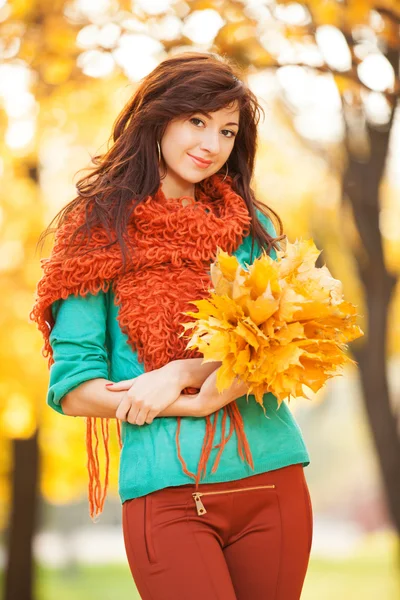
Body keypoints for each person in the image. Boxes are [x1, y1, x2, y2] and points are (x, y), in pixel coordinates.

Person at [31, 51, 313, 600]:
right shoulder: (96, 236)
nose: (212, 143)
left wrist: (182, 368)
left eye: (228, 131)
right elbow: (73, 387)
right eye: (198, 121)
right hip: (167, 492)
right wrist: (190, 399)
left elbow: (282, 339)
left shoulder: (245, 231)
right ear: (159, 117)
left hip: (272, 481)